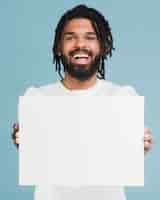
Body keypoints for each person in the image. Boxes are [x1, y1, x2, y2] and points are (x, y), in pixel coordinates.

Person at [12, 4, 153, 200]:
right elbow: (37, 157)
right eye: (70, 37)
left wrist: (137, 149)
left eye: (90, 37)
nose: (80, 44)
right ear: (58, 48)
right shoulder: (37, 98)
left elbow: (123, 159)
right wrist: (26, 145)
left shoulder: (122, 97)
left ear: (102, 47)